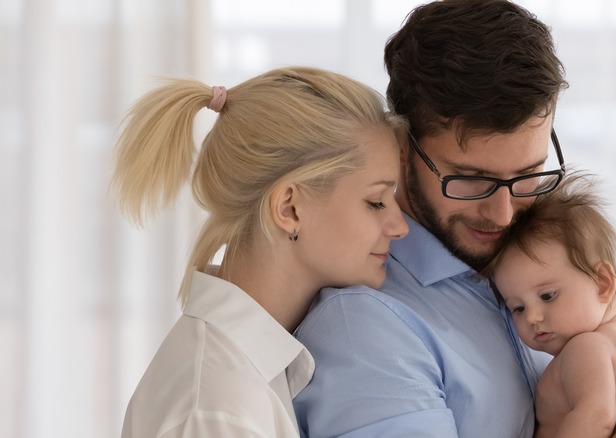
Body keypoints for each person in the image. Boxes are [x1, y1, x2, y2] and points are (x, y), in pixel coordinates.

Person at [293, 1, 616, 437]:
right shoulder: (365, 328)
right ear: (402, 147)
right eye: (472, 180)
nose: (503, 213)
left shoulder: (545, 272)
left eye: (528, 174)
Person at [111, 66, 409, 437]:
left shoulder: (248, 372)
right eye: (377, 201)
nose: (401, 227)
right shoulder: (220, 409)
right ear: (289, 208)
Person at [483, 172, 616, 437]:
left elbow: (597, 418)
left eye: (548, 295)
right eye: (518, 308)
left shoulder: (586, 348)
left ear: (602, 283)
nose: (533, 317)